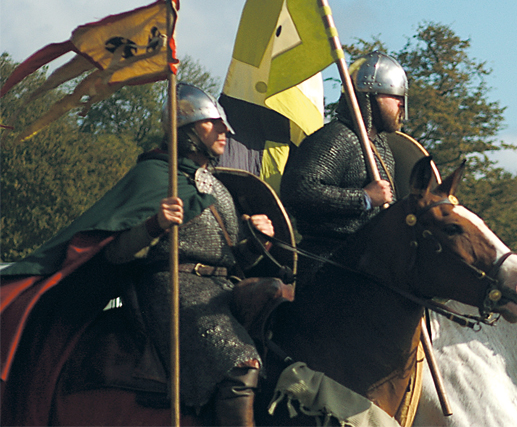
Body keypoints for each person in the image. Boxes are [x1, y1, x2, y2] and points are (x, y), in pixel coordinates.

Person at [1, 83, 274, 426]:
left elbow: (234, 260)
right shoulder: (154, 175)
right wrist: (155, 225)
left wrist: (257, 241)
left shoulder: (215, 185)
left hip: (224, 292)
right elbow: (114, 253)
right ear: (186, 130)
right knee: (238, 363)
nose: (225, 130)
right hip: (174, 290)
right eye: (212, 123)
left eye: (224, 124)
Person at [280, 51, 407, 291]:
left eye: (402, 97)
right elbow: (299, 190)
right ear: (369, 98)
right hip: (325, 265)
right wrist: (365, 199)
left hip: (368, 266)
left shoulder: (382, 149)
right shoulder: (337, 137)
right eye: (394, 96)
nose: (401, 103)